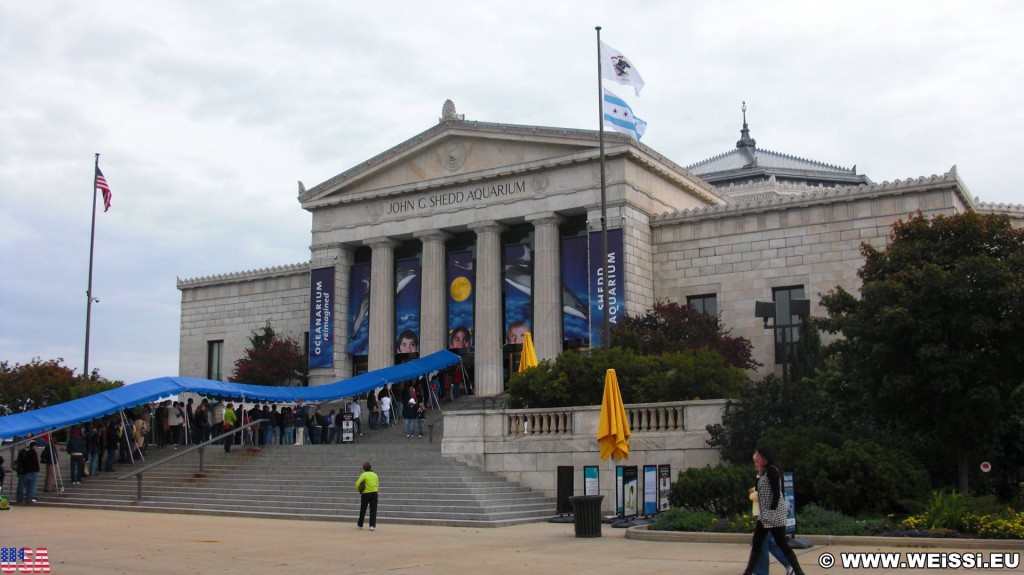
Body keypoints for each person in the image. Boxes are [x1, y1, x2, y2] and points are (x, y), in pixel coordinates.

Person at [741, 446, 805, 575]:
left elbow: (777, 493)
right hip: (766, 515)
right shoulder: (764, 471)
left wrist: (771, 511)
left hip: (773, 515)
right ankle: (748, 572)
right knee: (761, 544)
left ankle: (797, 570)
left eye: (758, 456)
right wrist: (759, 473)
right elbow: (759, 488)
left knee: (778, 544)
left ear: (764, 457)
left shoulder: (772, 471)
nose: (756, 459)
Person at [749, 455, 793, 575]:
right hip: (765, 514)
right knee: (771, 543)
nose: (755, 464)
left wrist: (752, 494)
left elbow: (761, 495)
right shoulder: (762, 475)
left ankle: (760, 572)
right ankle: (789, 563)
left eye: (757, 462)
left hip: (766, 515)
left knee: (762, 543)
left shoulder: (768, 475)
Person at [354, 461, 379, 531]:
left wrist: (358, 490)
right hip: (374, 493)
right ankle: (372, 525)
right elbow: (377, 483)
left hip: (365, 494)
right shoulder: (375, 475)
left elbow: (357, 483)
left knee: (363, 509)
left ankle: (360, 524)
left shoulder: (363, 474)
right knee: (373, 510)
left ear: (364, 468)